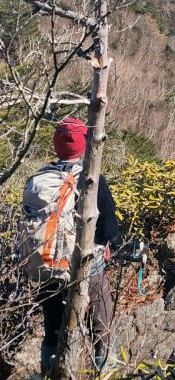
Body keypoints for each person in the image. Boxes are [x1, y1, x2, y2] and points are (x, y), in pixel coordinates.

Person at [30, 117, 124, 374]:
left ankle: (49, 370)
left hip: (47, 264)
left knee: (52, 329)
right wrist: (115, 246)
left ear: (56, 145)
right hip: (85, 266)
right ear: (85, 144)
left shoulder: (40, 179)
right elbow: (108, 229)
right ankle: (104, 367)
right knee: (101, 318)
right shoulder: (91, 179)